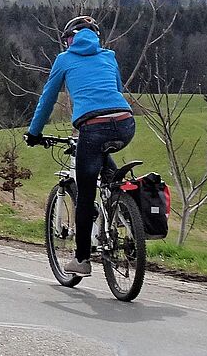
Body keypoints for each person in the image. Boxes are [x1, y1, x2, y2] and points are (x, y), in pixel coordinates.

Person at [24, 15, 135, 277]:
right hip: (125, 122)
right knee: (107, 172)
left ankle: (82, 260)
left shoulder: (64, 59)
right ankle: (127, 219)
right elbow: (116, 88)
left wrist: (34, 132)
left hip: (93, 128)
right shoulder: (109, 56)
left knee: (85, 196)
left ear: (69, 39)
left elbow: (48, 99)